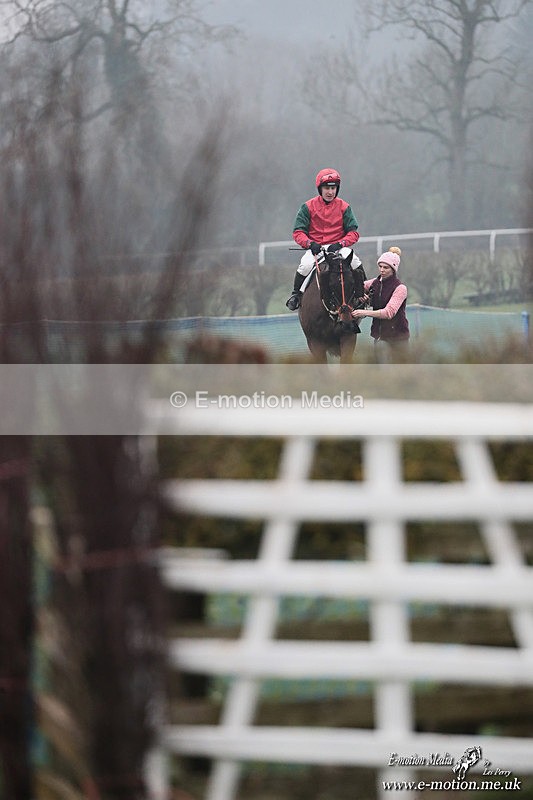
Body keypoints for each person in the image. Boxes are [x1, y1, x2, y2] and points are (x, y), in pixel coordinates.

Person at [286, 168, 360, 310]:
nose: (330, 192)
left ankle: (363, 294)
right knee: (305, 266)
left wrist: (340, 244)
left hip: (338, 248)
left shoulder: (345, 207)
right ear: (320, 189)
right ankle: (295, 295)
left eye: (333, 188)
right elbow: (298, 232)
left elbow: (353, 233)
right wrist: (310, 243)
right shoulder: (307, 207)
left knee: (355, 262)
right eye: (327, 188)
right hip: (316, 248)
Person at [351, 246, 409, 359]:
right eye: (380, 266)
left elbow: (389, 313)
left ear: (393, 269)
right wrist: (361, 294)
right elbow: (355, 287)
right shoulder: (374, 283)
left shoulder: (400, 288)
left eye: (386, 267)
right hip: (379, 337)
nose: (382, 270)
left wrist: (363, 312)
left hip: (398, 339)